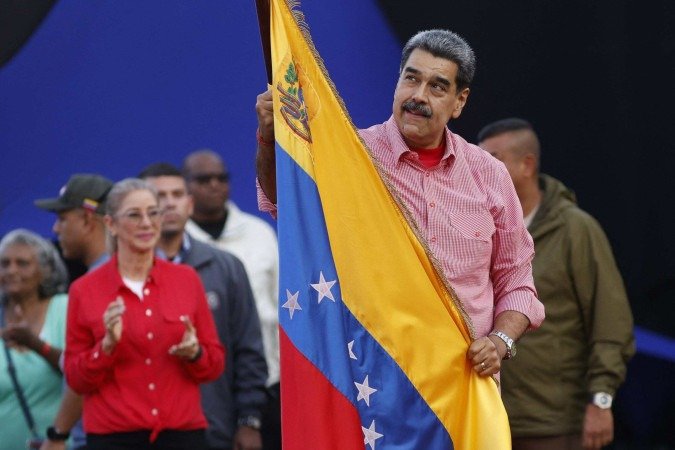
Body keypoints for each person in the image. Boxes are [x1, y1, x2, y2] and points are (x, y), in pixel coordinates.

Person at [255, 29, 545, 377]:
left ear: (459, 101)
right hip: (373, 384)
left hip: (464, 385)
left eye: (437, 87)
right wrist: (269, 140)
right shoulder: (350, 155)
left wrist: (500, 341)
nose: (418, 96)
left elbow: (516, 280)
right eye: (411, 78)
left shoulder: (489, 174)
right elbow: (285, 203)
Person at [477, 118, 635, 450]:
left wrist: (601, 399)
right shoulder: (476, 228)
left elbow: (611, 323)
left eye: (493, 160)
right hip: (486, 417)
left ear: (527, 165)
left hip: (552, 424)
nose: (481, 169)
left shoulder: (575, 230)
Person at [63, 178, 225, 449]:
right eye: (134, 215)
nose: (147, 223)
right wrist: (106, 347)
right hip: (114, 438)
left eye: (153, 213)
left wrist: (195, 353)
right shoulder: (84, 289)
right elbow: (75, 379)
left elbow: (215, 364)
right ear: (111, 224)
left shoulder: (186, 279)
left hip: (182, 436)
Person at [139, 163, 268, 450]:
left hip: (214, 427)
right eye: (159, 196)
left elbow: (249, 349)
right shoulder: (123, 272)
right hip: (142, 432)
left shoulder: (226, 267)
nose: (169, 203)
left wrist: (249, 420)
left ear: (189, 203)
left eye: (177, 194)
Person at [182, 150, 281, 449]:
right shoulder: (177, 241)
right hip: (202, 388)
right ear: (186, 186)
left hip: (266, 382)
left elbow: (283, 305)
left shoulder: (259, 233)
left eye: (221, 178)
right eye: (204, 179)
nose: (215, 185)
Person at [35, 172, 113, 450]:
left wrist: (58, 435)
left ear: (87, 220)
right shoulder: (111, 275)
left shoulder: (101, 284)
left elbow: (88, 370)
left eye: (62, 218)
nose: (56, 229)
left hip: (102, 436)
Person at [0, 229, 69, 450]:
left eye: (22, 263)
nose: (11, 270)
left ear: (45, 271)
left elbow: (80, 371)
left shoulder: (65, 308)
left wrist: (36, 345)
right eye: (4, 263)